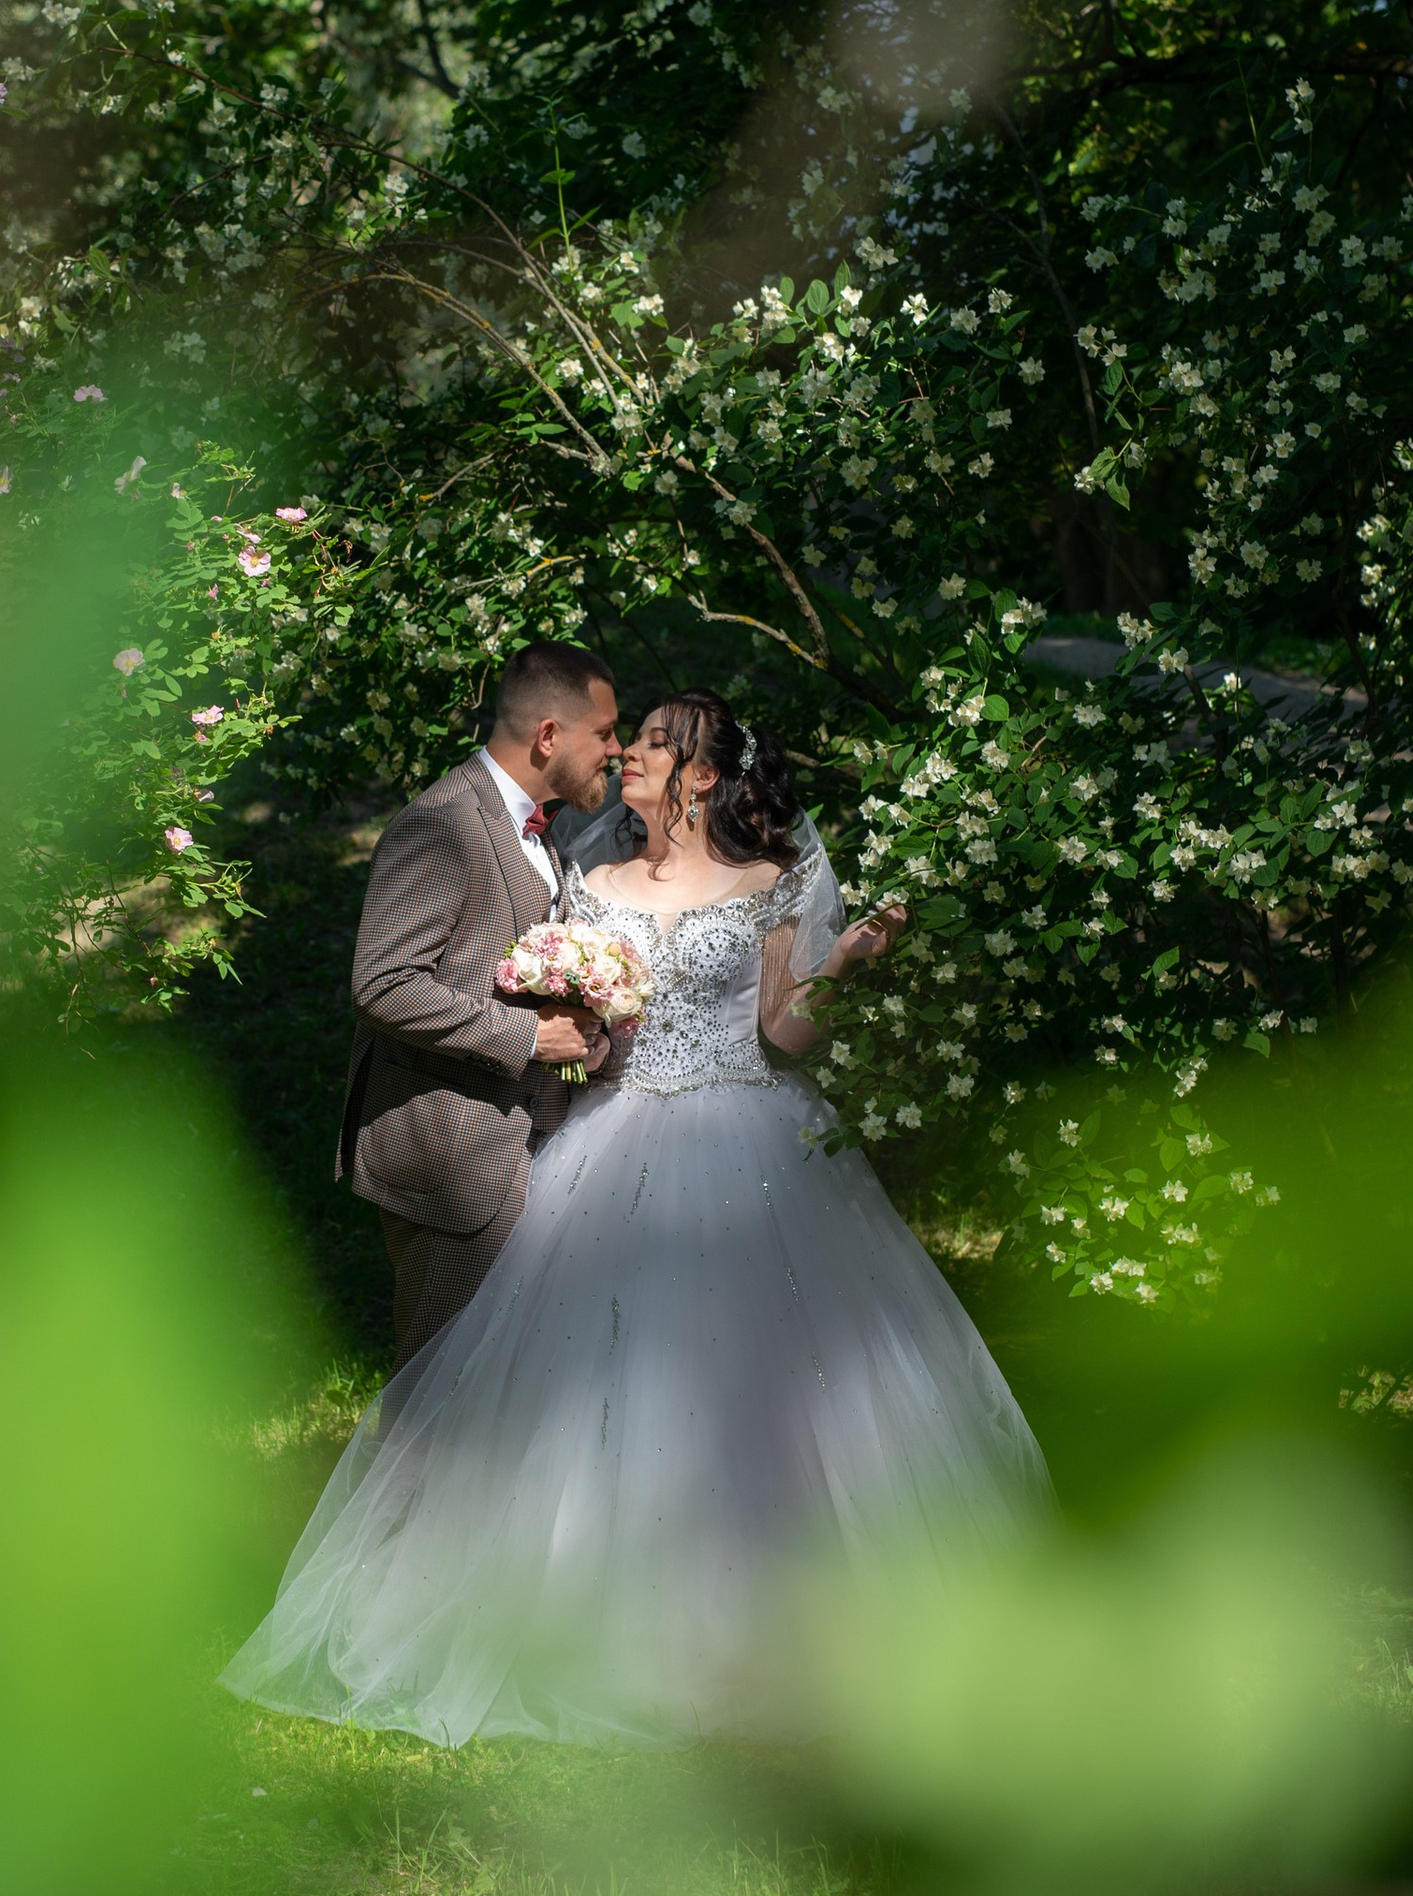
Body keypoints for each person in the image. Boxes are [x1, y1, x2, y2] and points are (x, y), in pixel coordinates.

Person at [229, 690, 1049, 1746]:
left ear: (702, 776)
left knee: (766, 1387)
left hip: (749, 1141)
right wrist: (570, 1016)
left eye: (651, 747)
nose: (627, 760)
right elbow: (595, 1036)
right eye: (628, 743)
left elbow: (786, 1032)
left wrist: (841, 969)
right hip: (607, 1140)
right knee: (583, 1374)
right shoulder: (590, 878)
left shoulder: (765, 883)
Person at [334, 640, 625, 1363]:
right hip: (454, 1162)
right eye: (606, 733)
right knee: (441, 1394)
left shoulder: (543, 834)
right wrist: (529, 1038)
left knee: (505, 1388)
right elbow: (383, 982)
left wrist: (585, 1034)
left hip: (526, 1151)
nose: (617, 751)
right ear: (548, 735)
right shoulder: (441, 823)